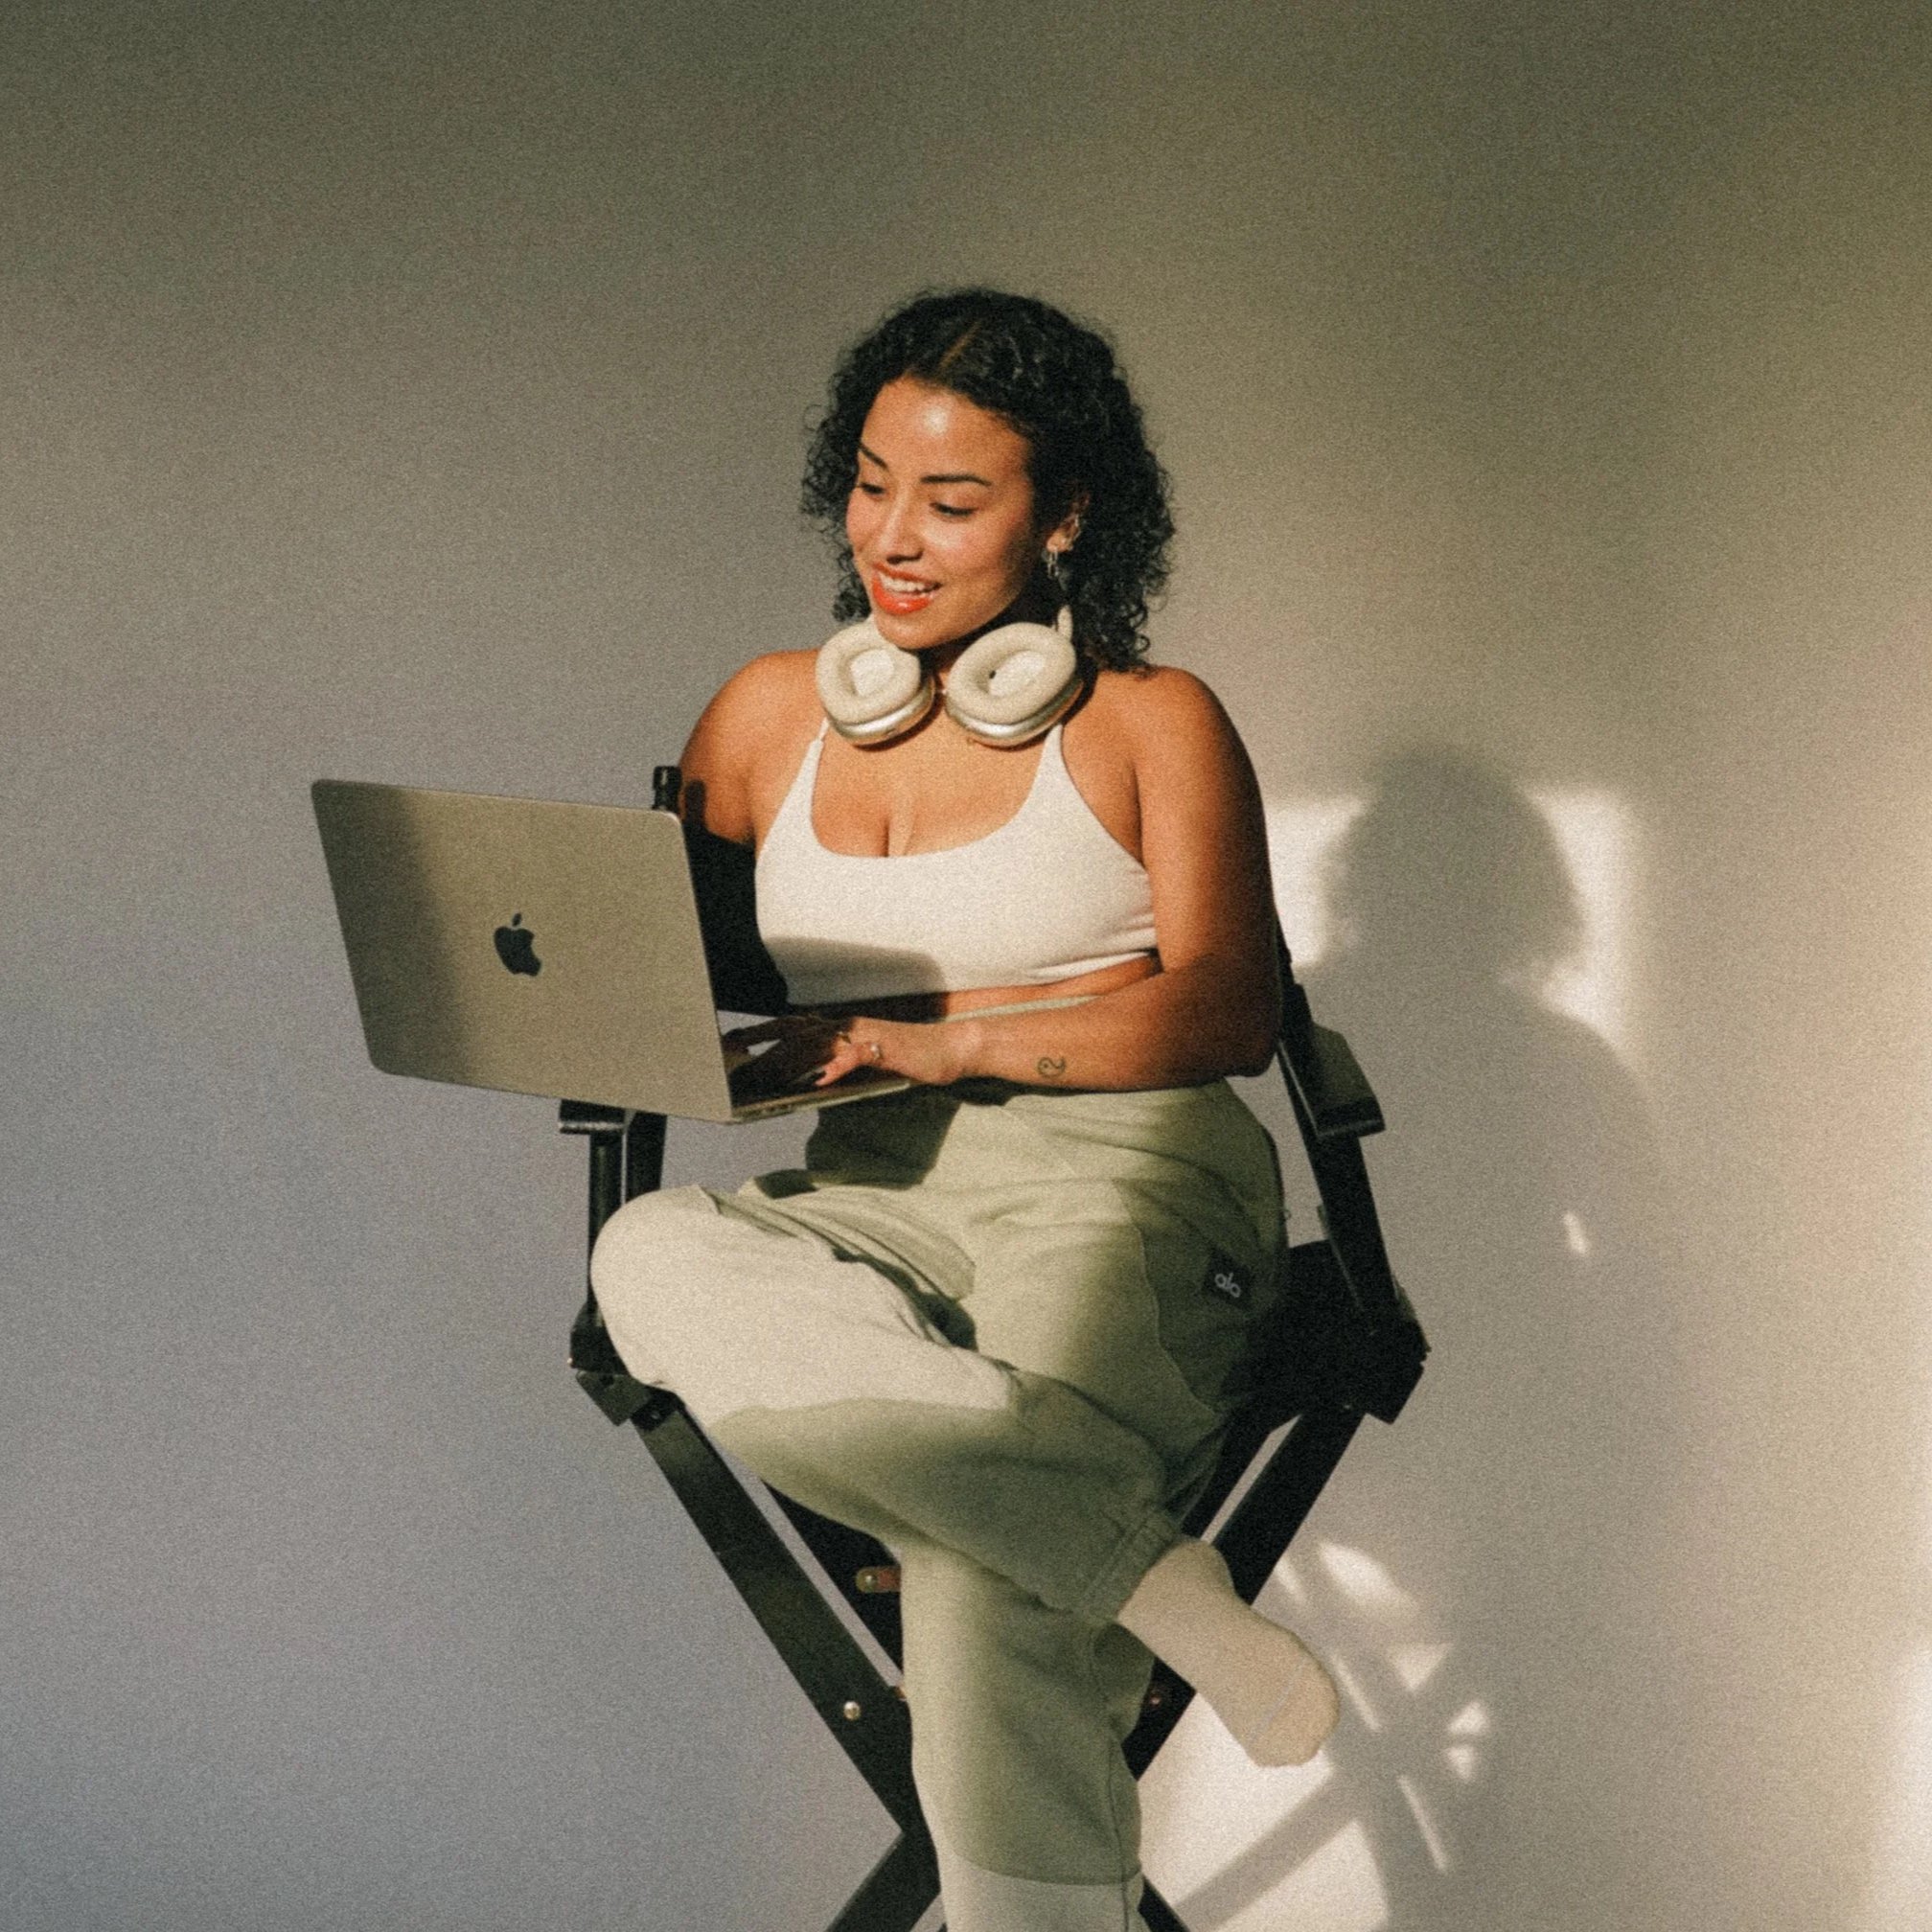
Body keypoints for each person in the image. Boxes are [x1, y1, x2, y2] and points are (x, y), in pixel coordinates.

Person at [590, 289, 1339, 1932]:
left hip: (1129, 1191)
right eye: (870, 484)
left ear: (1063, 518)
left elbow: (1228, 1003)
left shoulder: (1154, 722)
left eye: (953, 499)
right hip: (876, 1198)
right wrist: (547, 976)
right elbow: (657, 966)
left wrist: (939, 1043)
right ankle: (1146, 1576)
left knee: (972, 1569)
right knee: (646, 1259)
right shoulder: (771, 716)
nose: (894, 540)